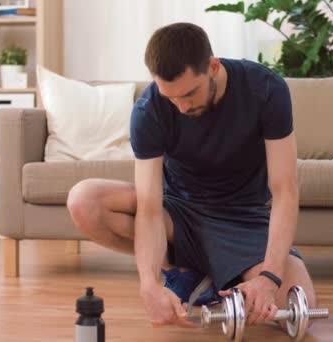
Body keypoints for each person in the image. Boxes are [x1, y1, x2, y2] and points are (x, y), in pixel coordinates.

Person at [67, 22, 317, 331]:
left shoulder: (264, 89)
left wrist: (269, 277)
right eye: (171, 98)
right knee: (84, 200)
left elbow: (285, 191)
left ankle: (224, 276)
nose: (182, 106)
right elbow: (148, 207)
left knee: (300, 307)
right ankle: (181, 271)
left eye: (189, 94)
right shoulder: (149, 110)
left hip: (244, 217)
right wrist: (150, 284)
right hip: (179, 214)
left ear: (213, 66)